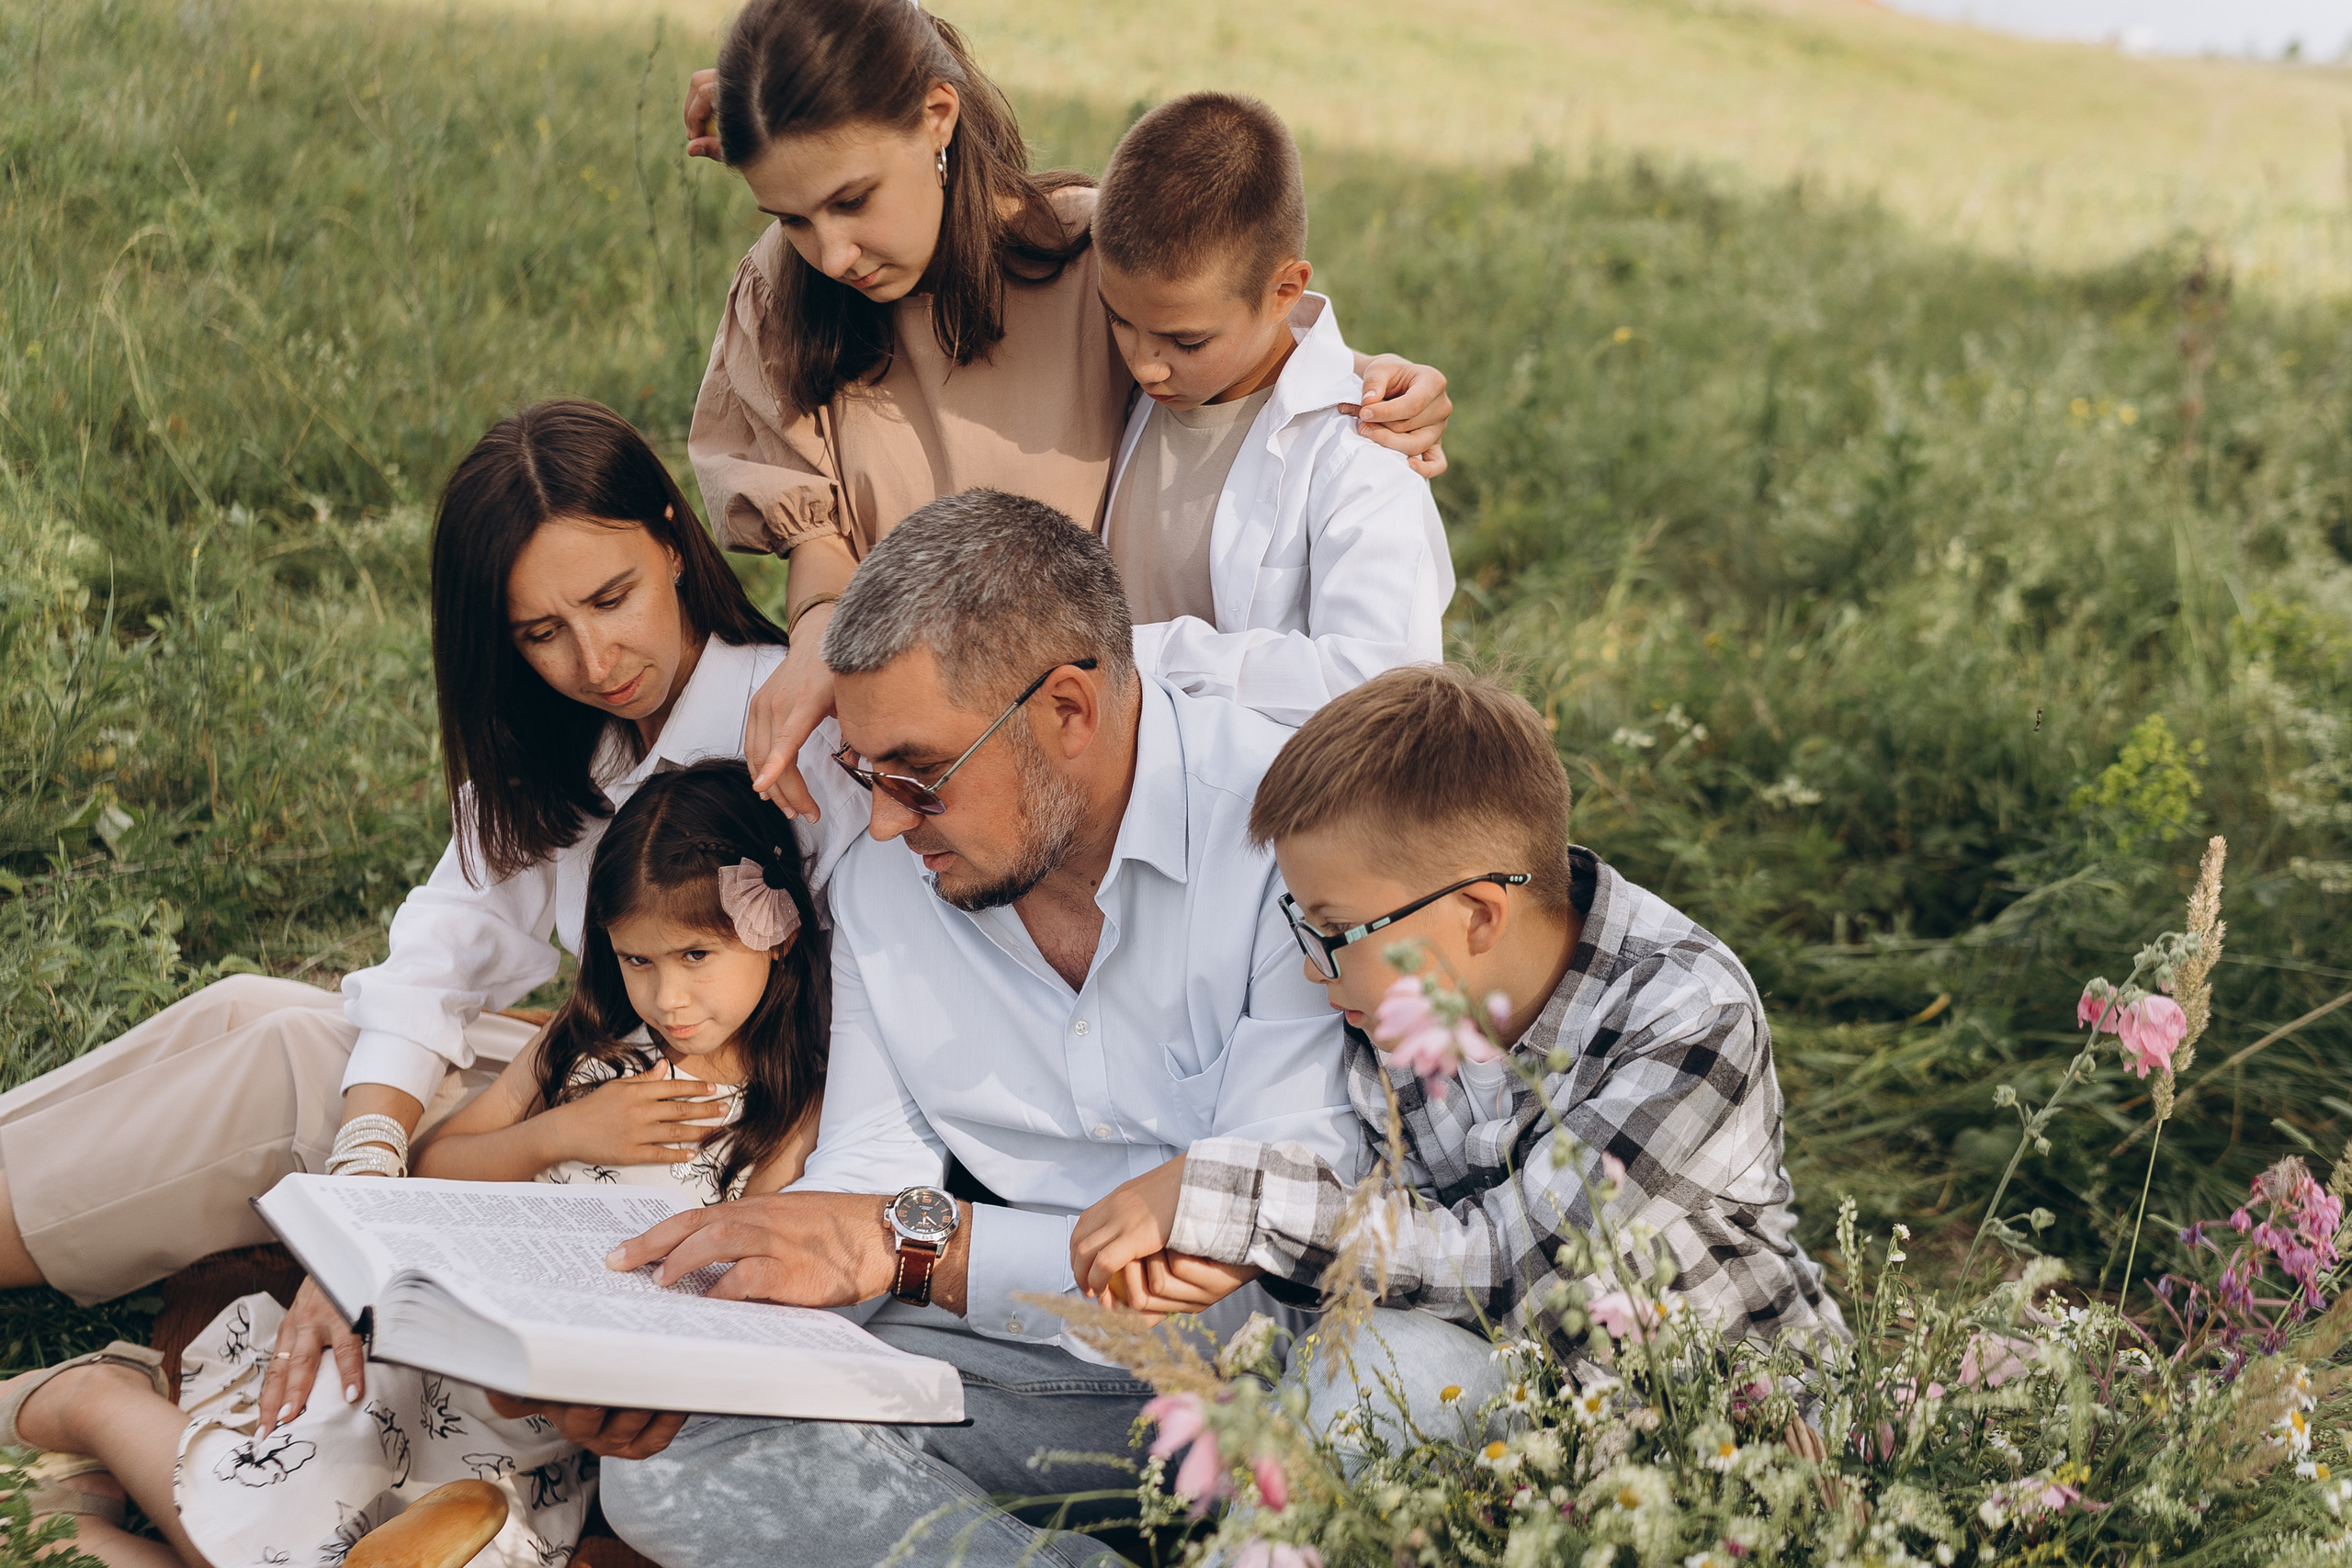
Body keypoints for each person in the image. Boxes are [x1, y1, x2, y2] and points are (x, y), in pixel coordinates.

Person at [496, 491, 1360, 1568]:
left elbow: (1282, 1217)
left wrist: (924, 1248)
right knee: (671, 1466)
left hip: (1289, 1362)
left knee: (1389, 1402)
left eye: (919, 774)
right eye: (866, 774)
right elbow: (871, 1169)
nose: (886, 818)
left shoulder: (1287, 833)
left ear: (1068, 711)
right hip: (1034, 1359)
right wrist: (704, 1345)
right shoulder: (891, 873)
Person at [0, 401, 863, 1426]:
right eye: (542, 633)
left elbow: (863, 1028)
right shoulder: (569, 741)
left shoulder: (794, 731)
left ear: (673, 544)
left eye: (612, 598)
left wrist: (372, 1205)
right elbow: (440, 952)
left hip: (731, 1136)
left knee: (287, 1065)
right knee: (252, 1008)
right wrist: (370, 1167)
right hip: (618, 1079)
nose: (594, 661)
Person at [0, 761, 829, 1568]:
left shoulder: (792, 1113)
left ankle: (59, 1526)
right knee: (271, 1522)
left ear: (780, 934)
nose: (667, 997)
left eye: (695, 956)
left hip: (537, 1439)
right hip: (420, 1368)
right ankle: (94, 1402)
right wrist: (562, 1133)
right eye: (637, 960)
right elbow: (435, 1162)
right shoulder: (587, 1045)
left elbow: (743, 1284)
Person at [675, 0, 1457, 816]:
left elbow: (1236, 338)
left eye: (853, 200)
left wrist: (1376, 381)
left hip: (1113, 768)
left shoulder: (1082, 261)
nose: (833, 253)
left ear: (938, 116)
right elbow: (819, 537)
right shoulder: (786, 295)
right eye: (792, 216)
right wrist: (817, 638)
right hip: (913, 772)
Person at [1067, 665, 1847, 1441]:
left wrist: (1234, 1198)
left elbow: (1515, 1267)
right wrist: (1241, 1251)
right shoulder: (1389, 1005)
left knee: (1382, 1368)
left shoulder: (1687, 1011)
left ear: (1478, 916)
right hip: (1529, 1428)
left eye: (1334, 930)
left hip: (1741, 1434)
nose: (1312, 966)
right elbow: (1382, 1228)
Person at [1092, 93, 1453, 726]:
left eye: (1187, 341)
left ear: (1285, 291)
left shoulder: (1361, 452)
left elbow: (1382, 687)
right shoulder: (1124, 382)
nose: (1145, 365)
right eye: (1119, 320)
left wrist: (1136, 653)